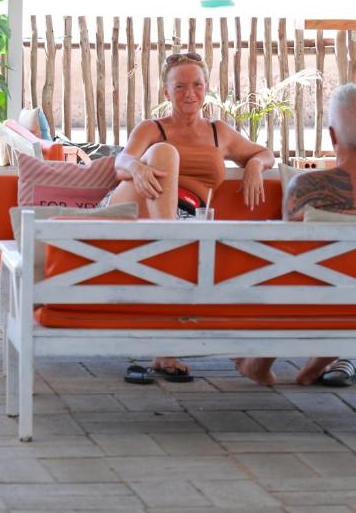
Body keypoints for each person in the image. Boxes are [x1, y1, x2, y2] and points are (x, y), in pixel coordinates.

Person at [234, 83, 356, 387]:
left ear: (332, 135)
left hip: (321, 303)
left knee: (289, 274)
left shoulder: (305, 186)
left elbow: (287, 259)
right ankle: (317, 363)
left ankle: (258, 362)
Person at [106, 52, 275, 381]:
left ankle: (173, 341)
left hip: (186, 216)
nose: (189, 93)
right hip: (131, 208)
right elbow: (121, 163)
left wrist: (255, 164)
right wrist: (137, 168)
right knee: (164, 153)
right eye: (180, 86)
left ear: (206, 88)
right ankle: (170, 243)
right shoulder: (152, 128)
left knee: (211, 250)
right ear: (166, 92)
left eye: (197, 85)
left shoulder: (219, 132)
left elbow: (263, 152)